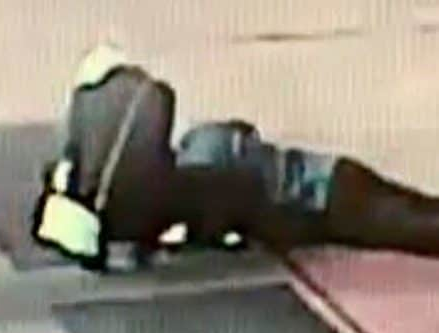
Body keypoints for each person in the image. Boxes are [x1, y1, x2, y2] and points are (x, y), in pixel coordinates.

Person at [32, 45, 439, 269]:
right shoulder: (194, 161)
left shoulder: (189, 176)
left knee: (419, 223)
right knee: (417, 220)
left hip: (327, 195)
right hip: (331, 188)